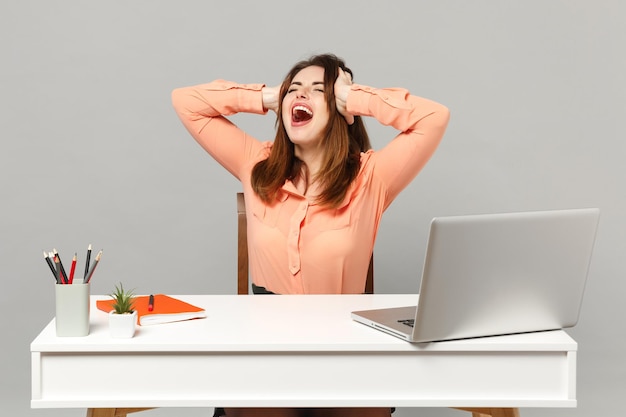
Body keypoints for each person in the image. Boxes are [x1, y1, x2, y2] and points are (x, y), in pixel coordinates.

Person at [172, 53, 450, 417]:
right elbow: (186, 102)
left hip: (344, 350)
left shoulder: (372, 177)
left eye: (319, 91)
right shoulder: (256, 163)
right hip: (265, 349)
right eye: (295, 89)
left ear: (339, 107)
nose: (301, 96)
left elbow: (434, 118)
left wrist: (355, 98)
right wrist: (268, 97)